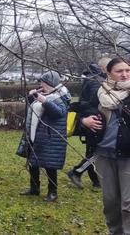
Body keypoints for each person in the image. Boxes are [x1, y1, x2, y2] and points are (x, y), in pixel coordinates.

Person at [82, 57, 130, 234]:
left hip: (128, 155)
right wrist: (84, 121)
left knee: (128, 204)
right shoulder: (100, 92)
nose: (124, 74)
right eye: (119, 71)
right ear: (109, 74)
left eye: (127, 70)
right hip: (104, 154)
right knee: (110, 202)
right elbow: (83, 109)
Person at [20, 71, 70, 202]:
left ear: (50, 83)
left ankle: (52, 192)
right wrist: (31, 97)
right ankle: (34, 188)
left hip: (51, 137)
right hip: (36, 135)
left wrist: (45, 101)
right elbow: (33, 108)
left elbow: (59, 113)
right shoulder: (45, 93)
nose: (40, 84)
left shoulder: (61, 96)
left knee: (50, 166)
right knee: (33, 162)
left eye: (43, 82)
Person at [67, 58, 110, 189]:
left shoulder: (91, 79)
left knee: (93, 151)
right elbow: (93, 104)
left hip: (92, 119)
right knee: (97, 152)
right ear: (104, 69)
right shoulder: (97, 82)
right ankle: (77, 171)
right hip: (96, 120)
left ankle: (96, 181)